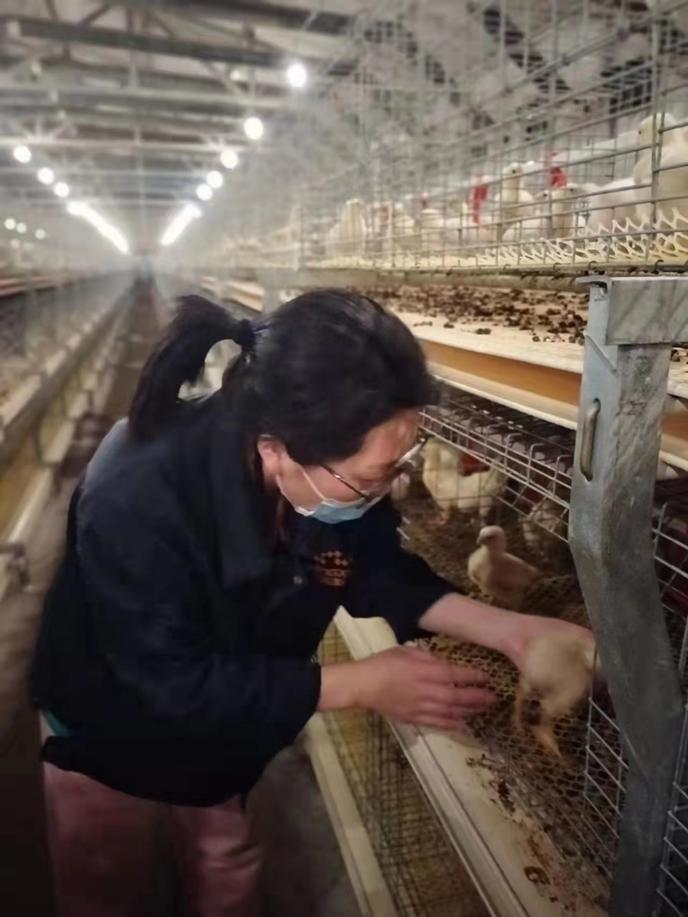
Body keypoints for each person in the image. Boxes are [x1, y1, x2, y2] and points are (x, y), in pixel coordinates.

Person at [31, 289, 590, 916]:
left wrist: (513, 633)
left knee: (225, 861)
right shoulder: (134, 491)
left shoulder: (321, 468)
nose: (386, 488)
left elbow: (374, 568)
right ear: (276, 448)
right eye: (373, 476)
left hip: (225, 723)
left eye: (395, 465)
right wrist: (358, 683)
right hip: (113, 726)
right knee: (107, 877)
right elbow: (168, 682)